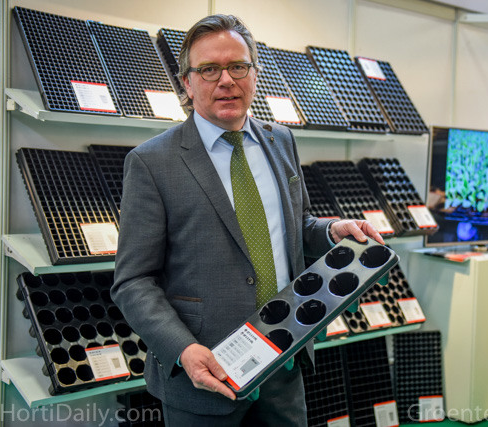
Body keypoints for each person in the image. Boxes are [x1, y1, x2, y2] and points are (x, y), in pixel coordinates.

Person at [111, 13, 384, 426]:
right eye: (209, 69)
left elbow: (296, 225)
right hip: (205, 372)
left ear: (255, 74)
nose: (226, 80)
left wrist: (330, 231)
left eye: (238, 66)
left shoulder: (281, 140)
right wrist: (183, 350)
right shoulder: (152, 162)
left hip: (284, 358)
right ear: (187, 83)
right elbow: (133, 281)